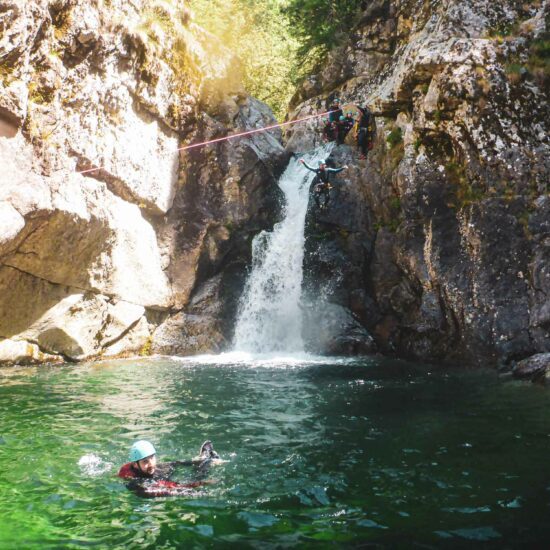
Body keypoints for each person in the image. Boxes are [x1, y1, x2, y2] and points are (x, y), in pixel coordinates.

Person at [118, 439, 220, 498]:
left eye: (152, 458)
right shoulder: (136, 480)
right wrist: (202, 485)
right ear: (135, 464)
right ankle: (207, 463)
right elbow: (176, 488)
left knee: (173, 464)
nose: (151, 464)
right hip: (157, 482)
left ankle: (202, 459)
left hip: (154, 475)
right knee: (195, 479)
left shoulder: (145, 466)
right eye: (145, 461)